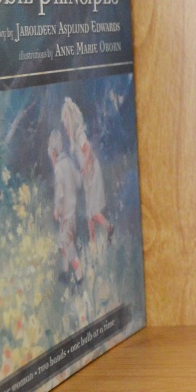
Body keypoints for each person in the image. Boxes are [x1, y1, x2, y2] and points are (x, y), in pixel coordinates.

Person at [62, 97, 112, 243]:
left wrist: (84, 167)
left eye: (67, 125)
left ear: (72, 122)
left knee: (93, 212)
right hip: (88, 176)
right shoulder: (74, 140)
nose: (66, 128)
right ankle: (93, 241)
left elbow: (88, 148)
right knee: (89, 213)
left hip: (93, 172)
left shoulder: (79, 135)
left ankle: (109, 227)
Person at [49, 129, 83, 281]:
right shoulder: (69, 161)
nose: (51, 158)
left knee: (67, 245)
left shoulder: (58, 168)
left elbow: (59, 192)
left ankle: (80, 274)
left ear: (54, 152)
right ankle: (65, 270)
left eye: (51, 155)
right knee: (63, 242)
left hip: (65, 214)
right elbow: (78, 181)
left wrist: (57, 209)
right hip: (73, 210)